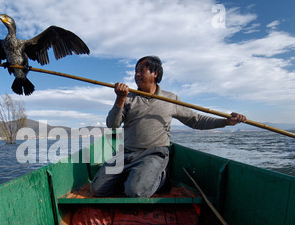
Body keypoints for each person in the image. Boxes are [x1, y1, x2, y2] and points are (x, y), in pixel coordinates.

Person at [90, 56, 247, 198]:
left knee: (135, 192)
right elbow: (112, 124)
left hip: (153, 154)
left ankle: (161, 178)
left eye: (141, 71)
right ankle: (133, 176)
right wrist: (120, 99)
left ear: (155, 73)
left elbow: (196, 120)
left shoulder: (171, 99)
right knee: (97, 190)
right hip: (126, 153)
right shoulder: (128, 98)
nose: (137, 75)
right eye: (135, 71)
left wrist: (225, 122)